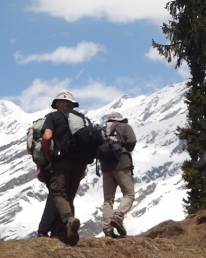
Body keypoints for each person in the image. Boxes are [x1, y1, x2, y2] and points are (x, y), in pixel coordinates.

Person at [41, 90, 88, 246]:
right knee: (69, 196)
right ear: (72, 105)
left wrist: (47, 155)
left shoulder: (53, 117)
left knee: (58, 193)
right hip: (80, 162)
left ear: (57, 105)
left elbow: (47, 137)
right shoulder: (82, 119)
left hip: (62, 161)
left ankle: (68, 221)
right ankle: (63, 234)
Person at [99, 111, 137, 237]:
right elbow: (132, 141)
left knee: (108, 200)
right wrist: (125, 149)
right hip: (122, 164)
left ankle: (107, 229)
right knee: (129, 194)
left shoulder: (102, 130)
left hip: (105, 167)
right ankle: (118, 217)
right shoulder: (125, 127)